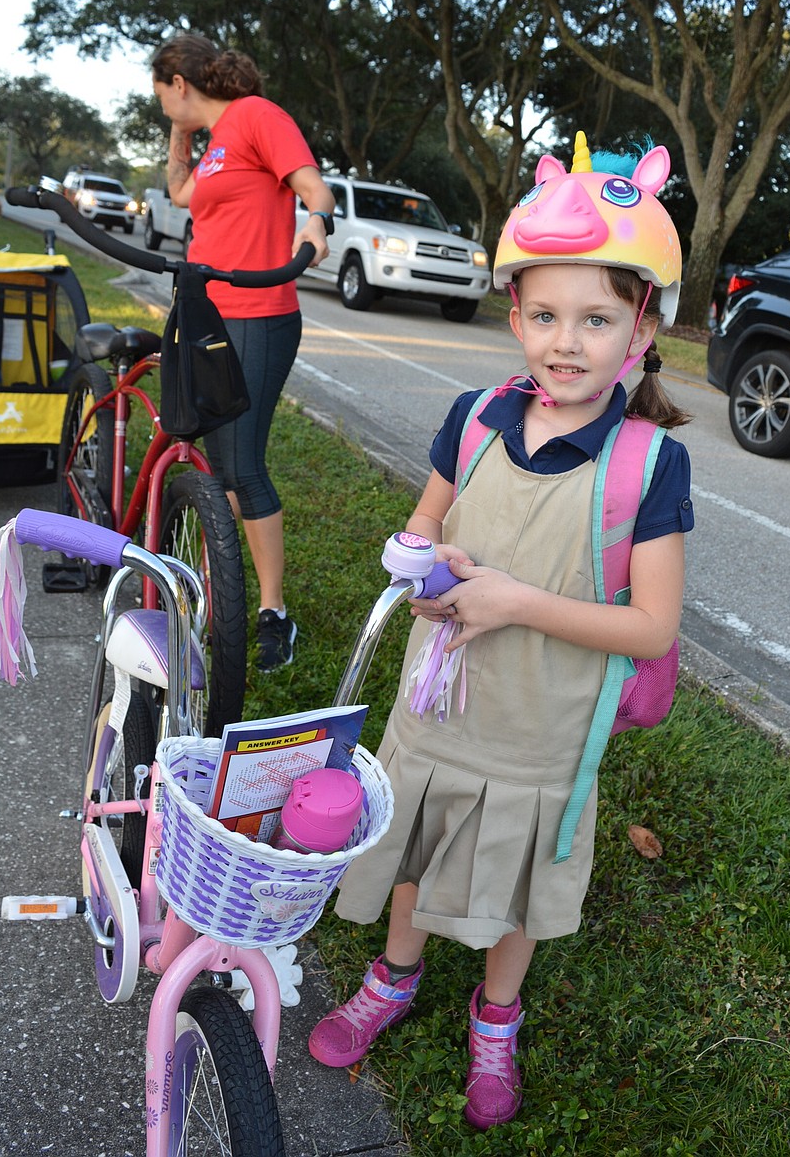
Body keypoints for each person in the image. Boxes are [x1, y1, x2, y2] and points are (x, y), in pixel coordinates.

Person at [307, 132, 694, 1130]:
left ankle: (496, 1015)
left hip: (542, 733)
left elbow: (650, 628)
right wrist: (425, 573)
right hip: (438, 706)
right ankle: (393, 980)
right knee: (416, 851)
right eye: (544, 314)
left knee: (511, 888)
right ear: (514, 314)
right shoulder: (474, 418)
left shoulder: (649, 466)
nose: (566, 341)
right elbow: (422, 525)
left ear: (642, 330)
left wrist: (516, 600)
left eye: (597, 319)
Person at [151, 34, 335, 670]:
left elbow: (314, 190)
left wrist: (316, 223)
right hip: (206, 314)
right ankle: (223, 587)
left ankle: (273, 615)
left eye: (163, 95)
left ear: (178, 83)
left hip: (258, 313)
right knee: (219, 465)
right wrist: (180, 138)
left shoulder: (256, 115)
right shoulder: (216, 145)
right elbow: (181, 197)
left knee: (244, 467)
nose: (163, 106)